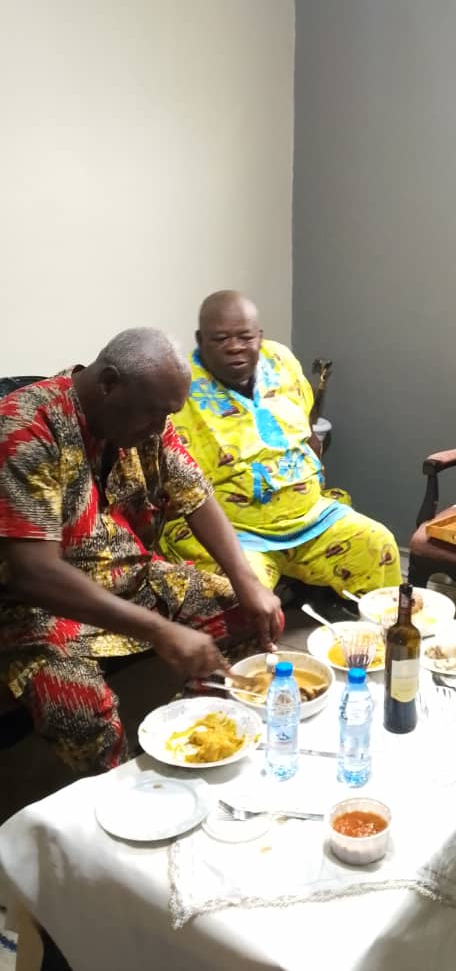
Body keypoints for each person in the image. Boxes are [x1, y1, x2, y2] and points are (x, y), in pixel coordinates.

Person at [0, 328, 283, 773]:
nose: (159, 426)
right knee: (78, 704)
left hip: (133, 577)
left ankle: (192, 734)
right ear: (109, 383)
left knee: (251, 613)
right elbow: (33, 573)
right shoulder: (25, 426)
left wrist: (246, 582)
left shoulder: (148, 419)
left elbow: (196, 496)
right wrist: (160, 630)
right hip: (43, 609)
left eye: (167, 415)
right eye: (154, 413)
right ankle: (119, 785)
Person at [159, 291, 401, 598]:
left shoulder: (280, 360)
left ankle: (373, 629)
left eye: (245, 337)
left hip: (309, 520)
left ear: (259, 336)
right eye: (220, 339)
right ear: (200, 339)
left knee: (378, 543)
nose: (234, 347)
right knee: (239, 591)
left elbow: (308, 428)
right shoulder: (180, 386)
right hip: (235, 534)